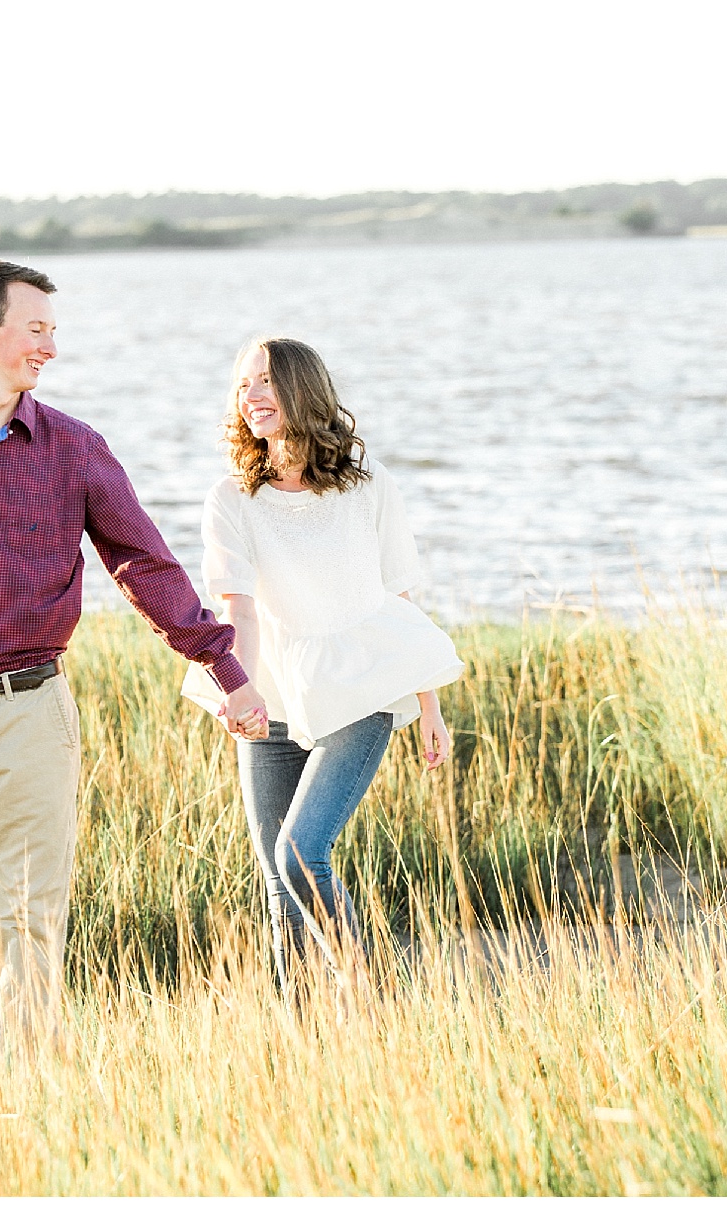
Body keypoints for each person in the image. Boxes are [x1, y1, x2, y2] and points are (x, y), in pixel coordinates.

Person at [0, 259, 266, 1073]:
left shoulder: (75, 449)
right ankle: (48, 1058)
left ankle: (11, 1086)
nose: (50, 348)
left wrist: (224, 667)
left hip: (32, 708)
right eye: (36, 329)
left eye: (53, 332)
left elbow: (145, 564)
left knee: (30, 914)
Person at [182, 336, 465, 1001]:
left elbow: (400, 597)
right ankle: (305, 1033)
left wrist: (428, 705)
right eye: (243, 384)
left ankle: (367, 991)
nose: (250, 396)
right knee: (278, 884)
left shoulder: (368, 486)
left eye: (265, 381)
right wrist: (240, 690)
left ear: (302, 387)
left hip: (363, 686)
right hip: (275, 694)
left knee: (300, 852)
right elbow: (240, 611)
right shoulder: (231, 498)